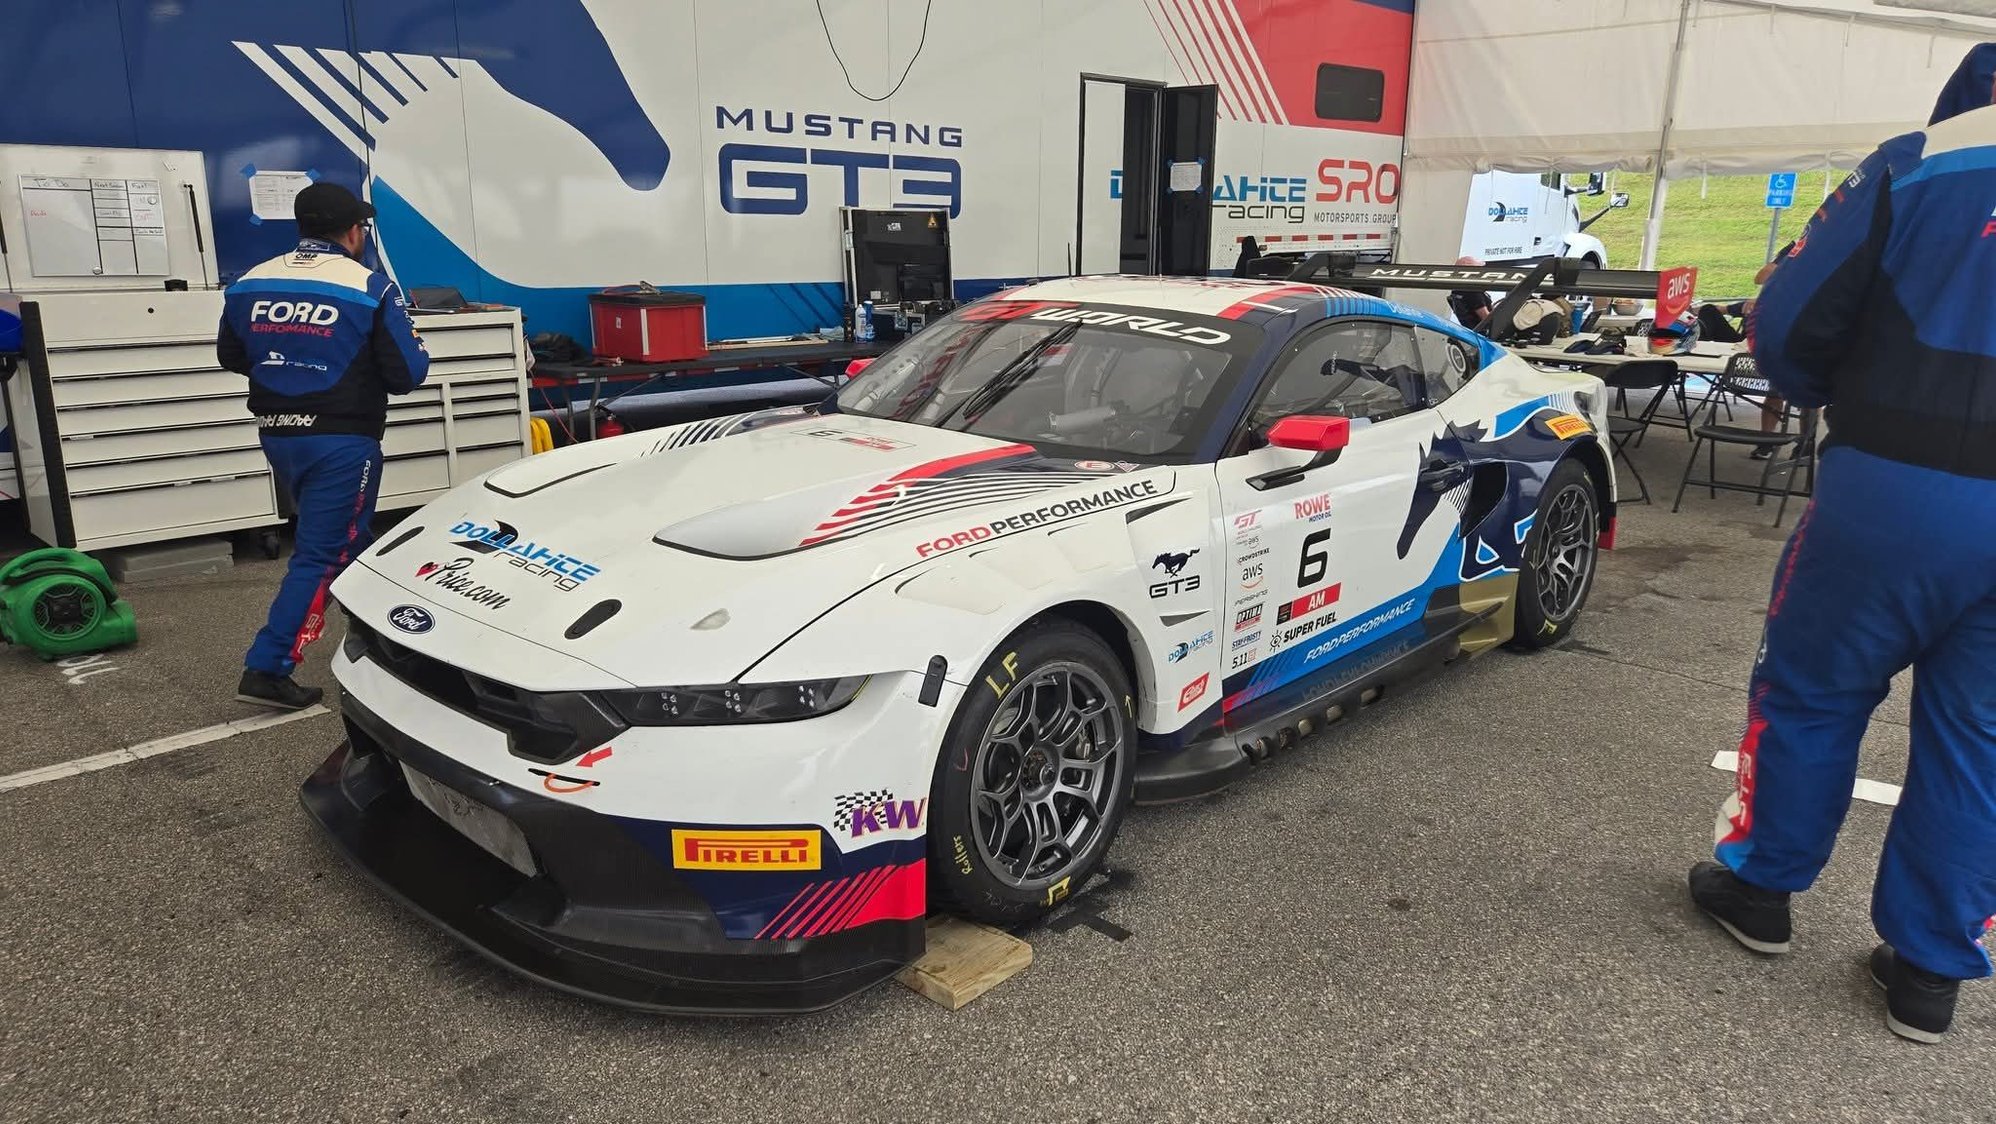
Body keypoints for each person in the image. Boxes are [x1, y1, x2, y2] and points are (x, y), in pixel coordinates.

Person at [1687, 43, 1996, 1044]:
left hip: (1896, 480)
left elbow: (1784, 323)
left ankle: (1761, 888)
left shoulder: (1918, 162)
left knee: (1812, 689)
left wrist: (1839, 391)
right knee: (1981, 740)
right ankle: (1930, 971)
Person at [217, 182, 429, 709]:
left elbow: (231, 355)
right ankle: (267, 668)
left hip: (279, 433)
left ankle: (390, 639)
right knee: (323, 554)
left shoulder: (250, 281)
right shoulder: (371, 286)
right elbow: (408, 373)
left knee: (353, 542)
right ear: (354, 231)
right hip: (342, 440)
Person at [1696, 251, 1795, 458]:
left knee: (1782, 391)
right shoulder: (1794, 250)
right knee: (1708, 310)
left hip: (1780, 344)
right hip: (1747, 343)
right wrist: (1725, 308)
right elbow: (1761, 277)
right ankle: (1767, 441)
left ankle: (1801, 443)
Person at [1447, 256, 1493, 330]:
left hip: (1471, 331)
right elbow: (1487, 319)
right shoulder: (1474, 292)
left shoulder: (1457, 290)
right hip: (1484, 333)